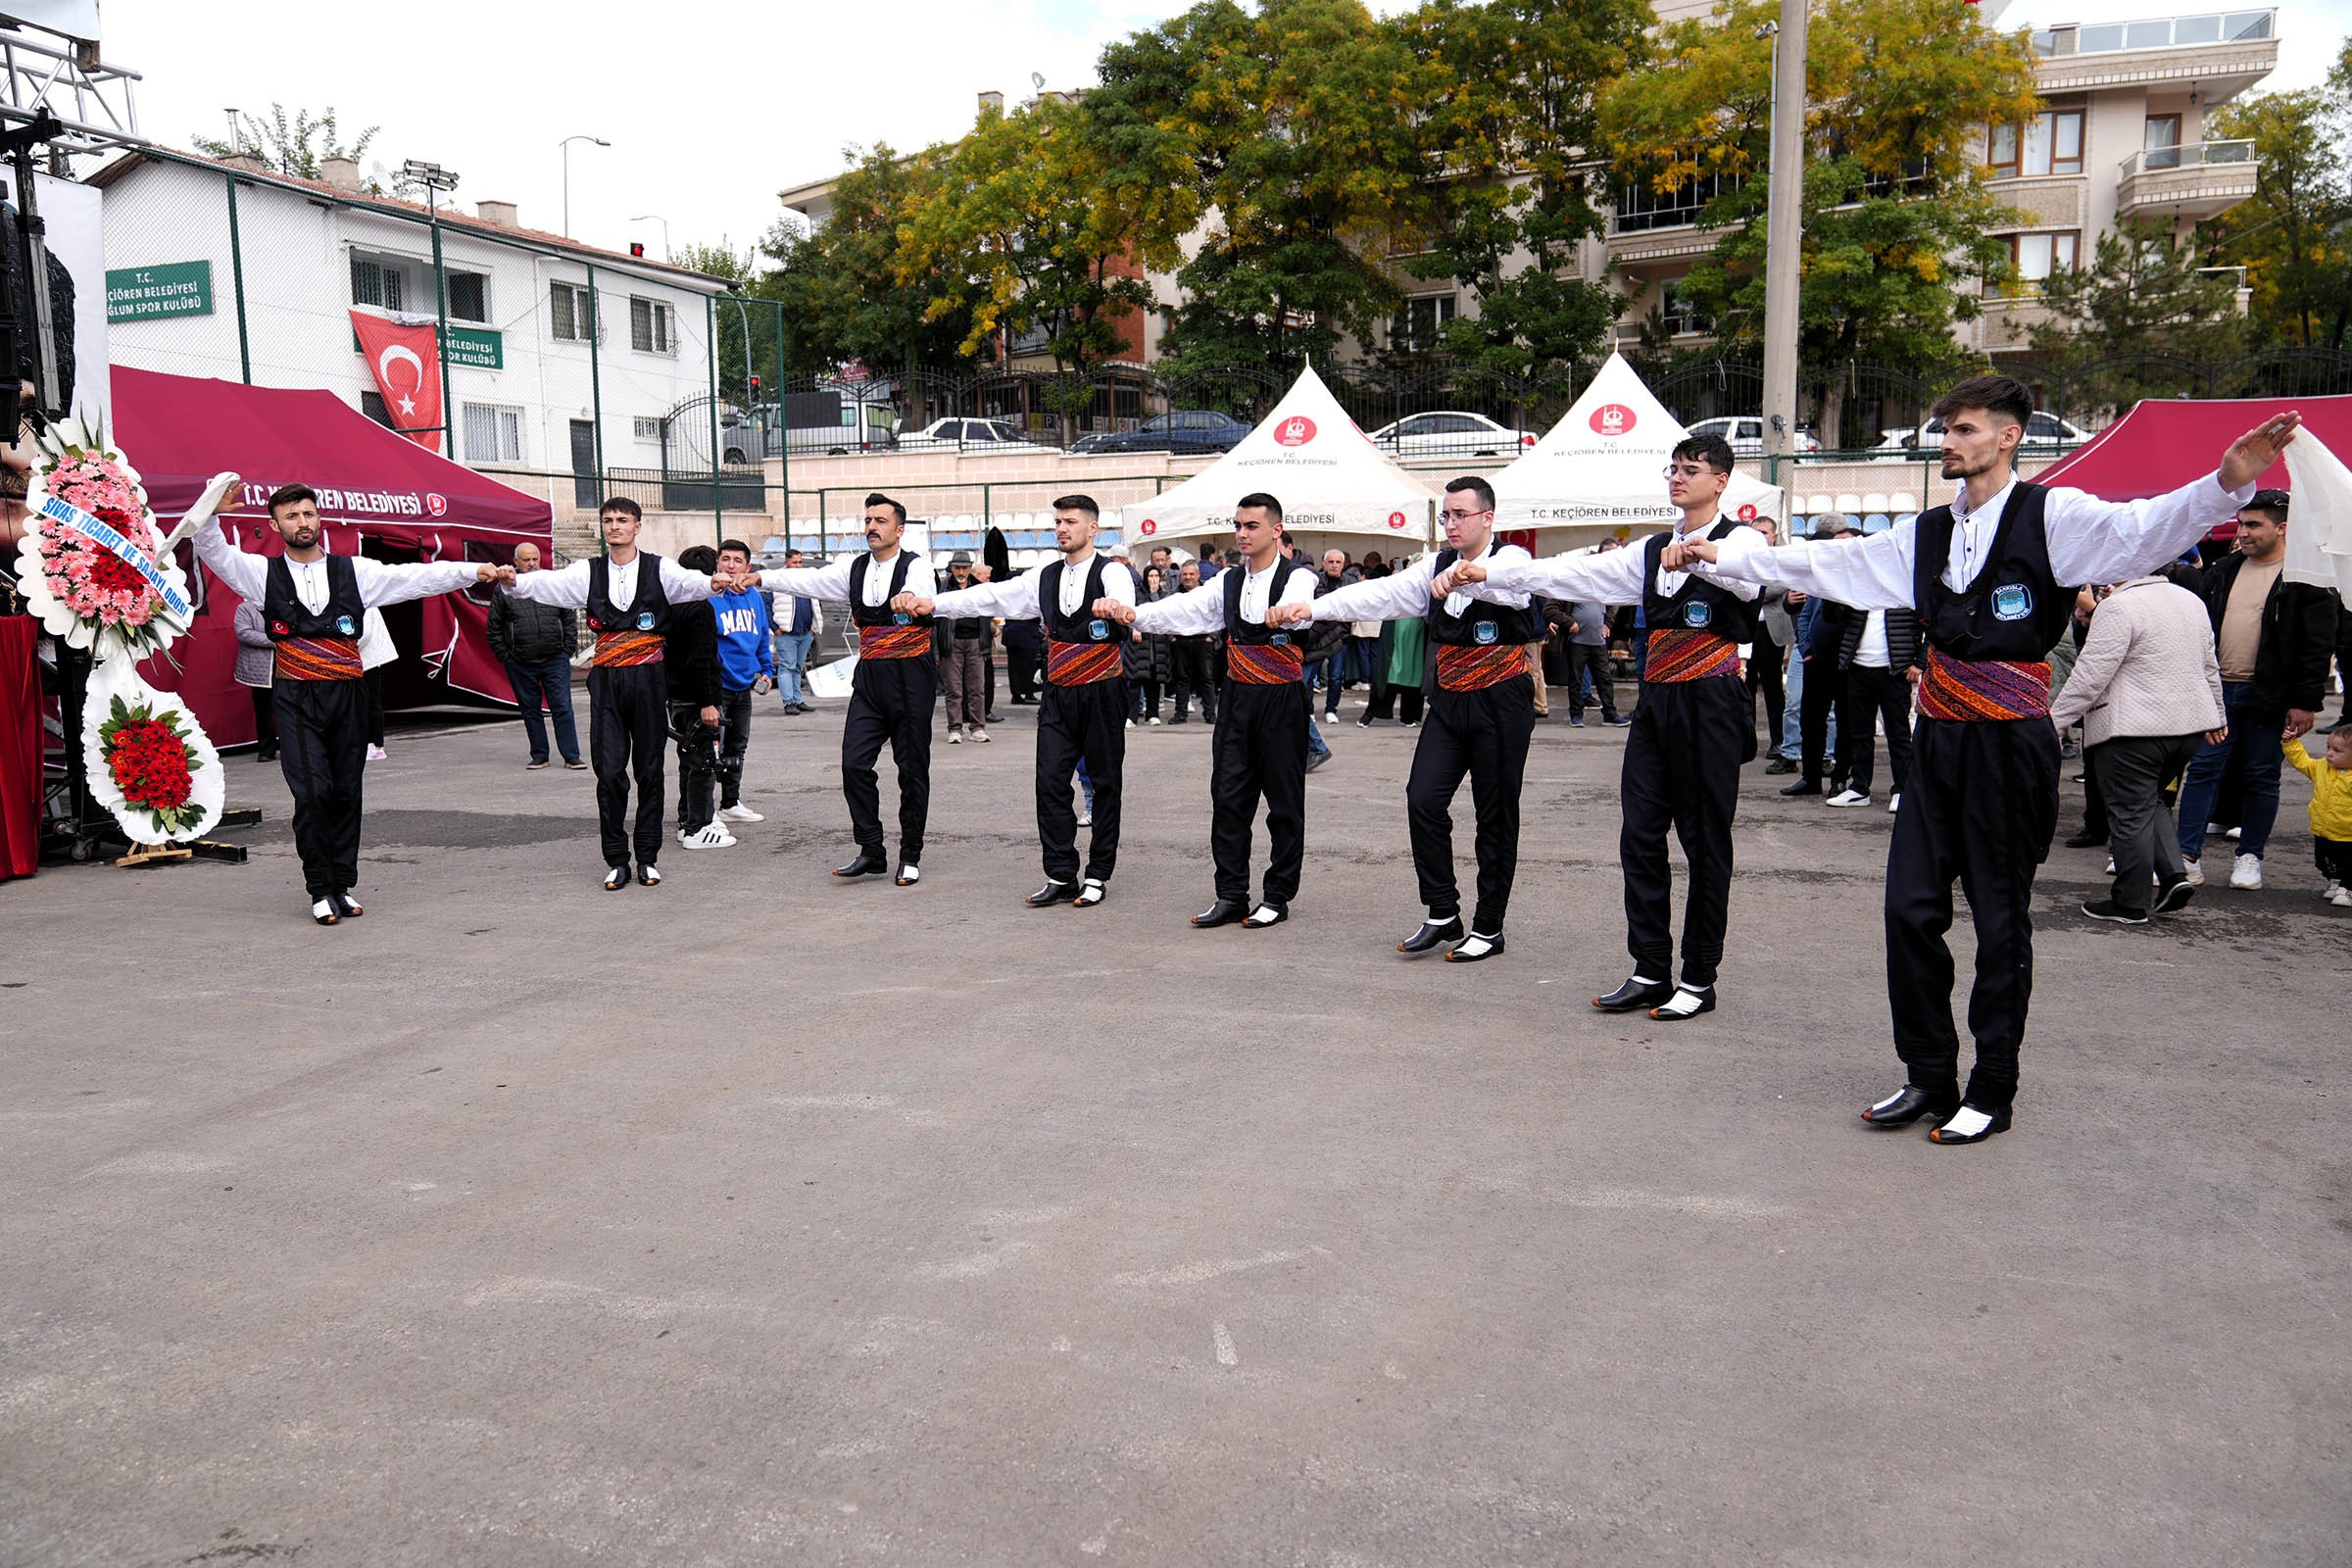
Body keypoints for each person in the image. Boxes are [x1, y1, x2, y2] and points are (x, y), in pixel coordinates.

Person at [1685, 376, 2295, 1144]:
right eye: (1946, 429)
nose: (1948, 441)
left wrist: (2220, 485)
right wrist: (1731, 560)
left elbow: (2141, 531)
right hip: (1938, 735)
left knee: (2000, 921)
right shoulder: (1927, 532)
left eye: (1965, 429)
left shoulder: (2055, 516)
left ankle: (1991, 1087)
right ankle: (1928, 1075)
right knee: (1908, 911)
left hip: (2011, 742)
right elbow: (1831, 567)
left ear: (2008, 437)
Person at [1450, 434, 1762, 1020]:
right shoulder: (1648, 550)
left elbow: (1752, 582)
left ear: (1721, 481)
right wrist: (1489, 574)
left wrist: (1705, 555)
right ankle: (1649, 967)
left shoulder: (1740, 539)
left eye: (1691, 470)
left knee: (1704, 841)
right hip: (1656, 703)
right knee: (1640, 834)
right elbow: (1579, 576)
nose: (1677, 478)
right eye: (1672, 468)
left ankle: (1698, 977)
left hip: (1712, 703)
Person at [192, 480, 506, 922]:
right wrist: (212, 512)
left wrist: (471, 572)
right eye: (291, 516)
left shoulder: (354, 572)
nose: (302, 523)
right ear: (274, 524)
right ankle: (319, 888)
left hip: (347, 694)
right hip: (296, 696)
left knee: (345, 792)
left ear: (318, 518)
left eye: (307, 514)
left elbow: (414, 578)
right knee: (312, 793)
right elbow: (215, 553)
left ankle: (343, 884)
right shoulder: (261, 575)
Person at [1276, 476, 1537, 960]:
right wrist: (1311, 607)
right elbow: (1380, 595)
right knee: (1422, 799)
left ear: (1488, 518)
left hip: (1501, 700)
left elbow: (1517, 591)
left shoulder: (1511, 559)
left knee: (1494, 814)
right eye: (1446, 516)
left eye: (1461, 515)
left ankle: (1488, 926)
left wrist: (1475, 576)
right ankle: (1442, 911)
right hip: (1450, 698)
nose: (1452, 524)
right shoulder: (1435, 565)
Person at [895, 493, 1134, 908]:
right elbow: (989, 597)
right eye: (1058, 521)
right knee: (1049, 782)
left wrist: (1116, 607)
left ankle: (1097, 874)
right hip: (1058, 693)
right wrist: (936, 604)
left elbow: (1122, 600)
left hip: (1102, 691)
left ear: (1093, 528)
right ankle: (1061, 873)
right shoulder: (1043, 575)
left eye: (1071, 522)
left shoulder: (1112, 573)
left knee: (1105, 782)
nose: (1062, 528)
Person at [1101, 492, 1316, 928]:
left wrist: (1290, 613)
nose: (1242, 533)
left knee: (1284, 803)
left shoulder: (1299, 579)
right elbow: (1186, 610)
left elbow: (1302, 608)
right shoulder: (1228, 581)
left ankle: (1277, 895)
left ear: (1275, 530)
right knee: (1228, 797)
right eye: (1238, 525)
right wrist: (1135, 615)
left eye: (1252, 525)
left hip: (1281, 700)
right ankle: (1231, 893)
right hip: (1238, 698)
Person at [504, 496, 725, 890]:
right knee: (608, 773)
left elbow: (691, 583)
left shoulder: (660, 569)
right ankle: (617, 859)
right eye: (607, 520)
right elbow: (546, 583)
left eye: (622, 520)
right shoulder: (586, 572)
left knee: (650, 771)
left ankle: (647, 857)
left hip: (648, 679)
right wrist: (514, 582)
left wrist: (714, 582)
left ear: (637, 527)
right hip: (606, 680)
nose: (614, 526)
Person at [740, 493, 937, 886]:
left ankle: (910, 853)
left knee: (911, 768)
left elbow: (920, 591)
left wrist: (911, 599)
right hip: (870, 677)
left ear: (899, 530)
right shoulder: (854, 568)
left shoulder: (917, 567)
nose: (871, 527)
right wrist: (763, 576)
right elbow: (808, 579)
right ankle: (871, 849)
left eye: (880, 520)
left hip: (910, 676)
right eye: (867, 520)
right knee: (853, 763)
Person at [2176, 489, 2336, 892]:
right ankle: (2185, 856)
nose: (2242, 532)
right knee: (2203, 772)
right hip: (2218, 692)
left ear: (2282, 529)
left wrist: (2304, 702)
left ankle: (2250, 856)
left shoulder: (2306, 577)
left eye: (2253, 525)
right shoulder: (2224, 569)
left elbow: (2317, 645)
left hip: (2272, 696)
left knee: (2262, 776)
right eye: (2241, 523)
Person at [2046, 572, 2223, 923]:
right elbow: (2208, 665)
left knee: (2129, 812)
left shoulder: (2119, 607)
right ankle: (2173, 877)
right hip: (2186, 727)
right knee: (2147, 802)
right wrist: (2217, 712)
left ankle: (2130, 902)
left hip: (2133, 729)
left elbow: (2091, 674)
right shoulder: (2191, 601)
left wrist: (2053, 722)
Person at [485, 541, 583, 771]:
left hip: (555, 658)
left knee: (563, 707)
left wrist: (566, 649)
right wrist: (506, 656)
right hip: (520, 661)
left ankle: (571, 756)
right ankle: (540, 755)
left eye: (535, 559)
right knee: (530, 709)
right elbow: (494, 626)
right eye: (526, 560)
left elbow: (568, 617)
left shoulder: (552, 583)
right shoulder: (503, 589)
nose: (532, 564)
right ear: (515, 562)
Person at [1827, 600, 1923, 811]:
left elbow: (1929, 623)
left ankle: (1901, 789)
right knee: (1859, 733)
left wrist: (1920, 662)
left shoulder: (1903, 585)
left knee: (1898, 735)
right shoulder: (1859, 587)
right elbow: (1833, 615)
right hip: (1858, 668)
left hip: (1895, 671)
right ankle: (1859, 787)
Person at [666, 544, 731, 851]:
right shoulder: (700, 607)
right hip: (696, 699)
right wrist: (708, 702)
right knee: (703, 762)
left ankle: (686, 820)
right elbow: (701, 659)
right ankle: (699, 826)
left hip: (677, 696)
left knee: (688, 762)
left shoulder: (671, 605)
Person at [710, 538, 774, 821]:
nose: (731, 565)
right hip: (717, 686)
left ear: (747, 566)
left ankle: (730, 803)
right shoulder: (709, 596)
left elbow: (761, 638)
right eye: (725, 559)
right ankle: (702, 811)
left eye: (737, 560)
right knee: (709, 750)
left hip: (744, 686)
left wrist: (767, 670)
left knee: (737, 748)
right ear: (717, 563)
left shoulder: (754, 597)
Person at [2284, 724, 2352, 907]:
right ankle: (2336, 881)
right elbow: (2304, 762)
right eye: (2328, 748)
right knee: (2324, 862)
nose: (2329, 753)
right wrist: (2291, 744)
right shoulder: (2323, 767)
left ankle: (2348, 888)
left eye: (2337, 751)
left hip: (2348, 834)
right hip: (2323, 829)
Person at [936, 552, 991, 744]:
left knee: (977, 688)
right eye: (957, 567)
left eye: (964, 567)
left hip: (976, 641)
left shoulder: (980, 588)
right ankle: (955, 729)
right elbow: (935, 622)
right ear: (951, 568)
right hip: (951, 644)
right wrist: (937, 650)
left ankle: (977, 728)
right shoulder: (942, 589)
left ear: (970, 568)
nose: (960, 571)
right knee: (953, 688)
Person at [769, 547, 820, 715]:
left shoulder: (806, 579)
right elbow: (766, 606)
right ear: (786, 563)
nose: (798, 566)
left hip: (805, 632)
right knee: (786, 667)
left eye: (800, 562)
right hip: (786, 634)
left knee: (798, 667)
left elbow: (815, 602)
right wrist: (775, 628)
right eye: (794, 562)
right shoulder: (777, 580)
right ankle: (788, 702)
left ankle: (798, 700)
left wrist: (813, 628)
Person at [1167, 560, 1218, 724]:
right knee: (1181, 679)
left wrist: (1213, 637)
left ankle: (1210, 713)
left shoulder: (1208, 594)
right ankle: (1180, 714)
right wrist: (1172, 637)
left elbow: (1218, 614)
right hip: (1181, 641)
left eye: (1191, 574)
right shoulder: (1175, 595)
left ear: (1198, 575)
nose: (1188, 577)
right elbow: (1167, 615)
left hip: (1203, 640)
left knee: (1207, 679)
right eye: (1185, 574)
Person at [1558, 593, 1620, 727]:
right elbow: (1551, 609)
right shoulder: (1574, 585)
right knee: (1576, 679)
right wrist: (1569, 622)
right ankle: (1576, 715)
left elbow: (1615, 601)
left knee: (1605, 679)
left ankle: (1610, 714)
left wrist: (1608, 623)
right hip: (1577, 641)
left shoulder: (1601, 583)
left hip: (1598, 641)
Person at [1128, 563, 1176, 724]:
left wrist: (1155, 594)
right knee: (1135, 681)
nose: (1153, 579)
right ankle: (1131, 716)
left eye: (1156, 576)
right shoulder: (1136, 594)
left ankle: (1153, 713)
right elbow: (1129, 613)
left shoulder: (1163, 596)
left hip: (1158, 644)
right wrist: (1134, 628)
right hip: (1140, 645)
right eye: (1151, 576)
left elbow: (1161, 613)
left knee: (1155, 680)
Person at [233, 597, 278, 762]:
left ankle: (292, 749)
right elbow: (243, 632)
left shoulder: (279, 603)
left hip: (284, 664)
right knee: (263, 709)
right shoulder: (245, 608)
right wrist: (273, 641)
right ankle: (266, 749)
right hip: (260, 669)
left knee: (288, 708)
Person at [358, 606, 393, 761]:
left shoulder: (366, 602)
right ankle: (368, 743)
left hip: (370, 660)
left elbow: (363, 634)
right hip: (363, 659)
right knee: (365, 703)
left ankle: (376, 745)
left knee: (371, 702)